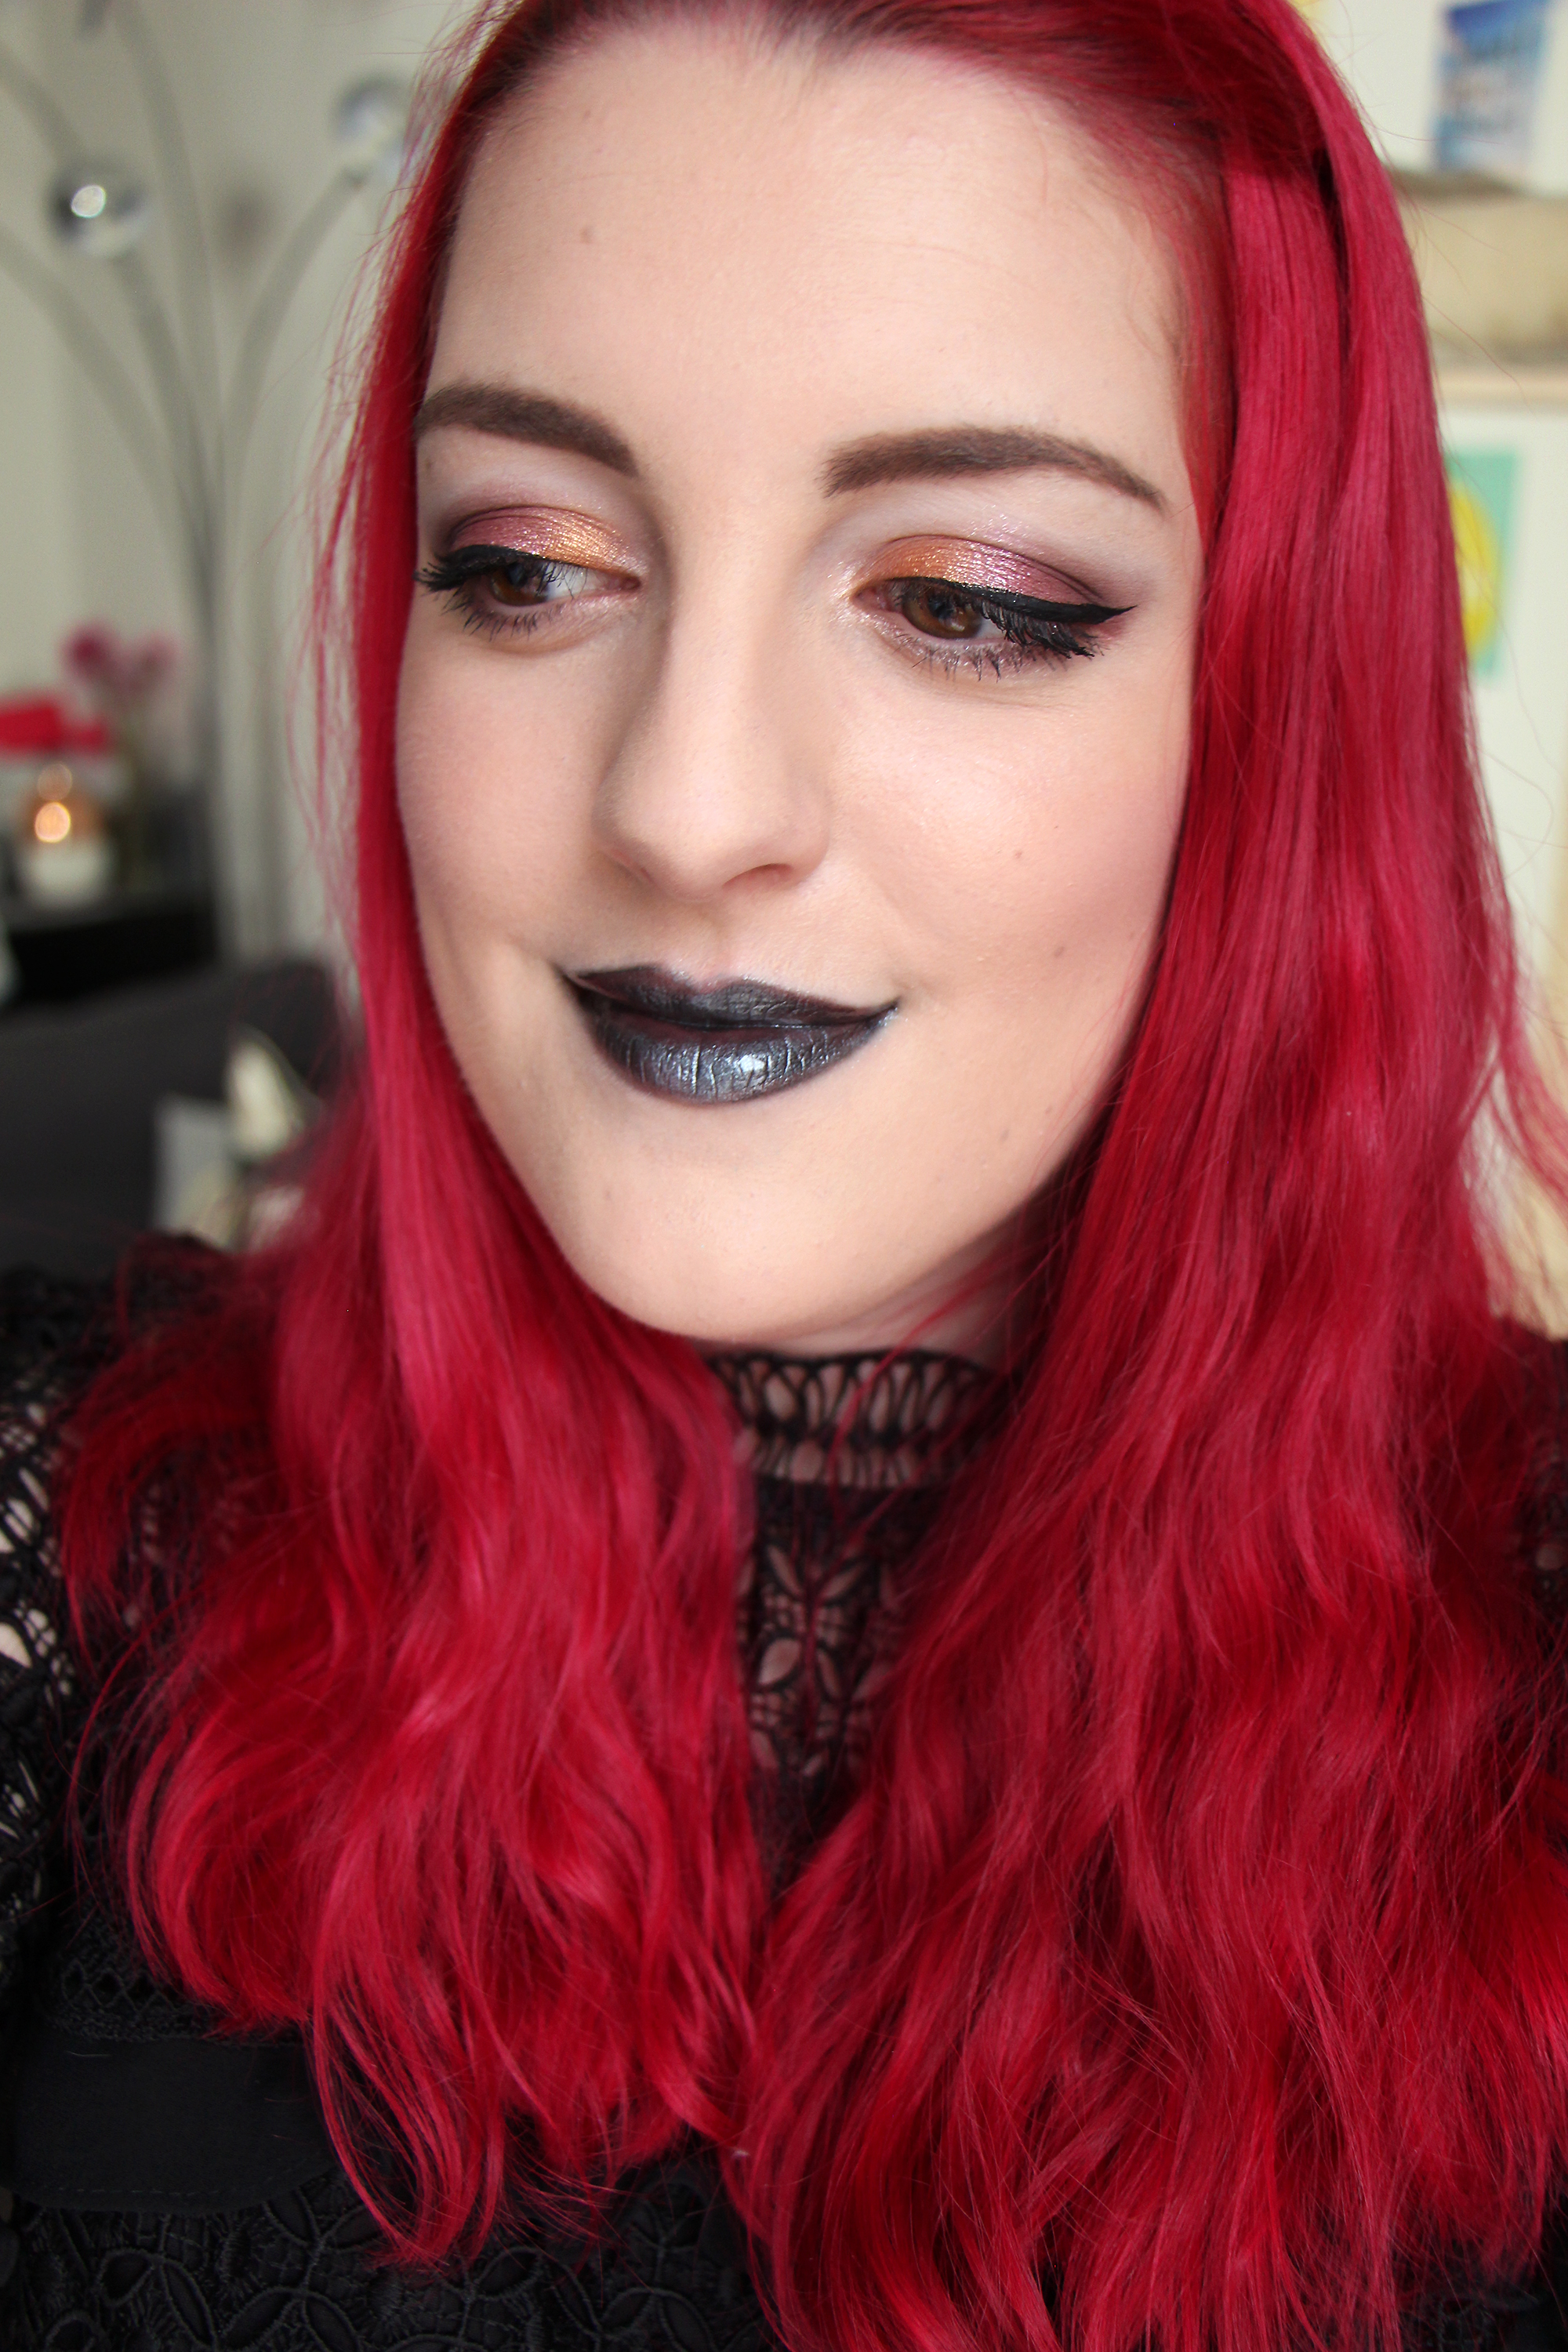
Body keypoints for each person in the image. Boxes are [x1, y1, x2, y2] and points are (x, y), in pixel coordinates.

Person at [5, 1, 1568, 2347]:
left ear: (1270, 719)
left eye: (965, 601)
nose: (684, 800)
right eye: (527, 564)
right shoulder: (64, 1564)